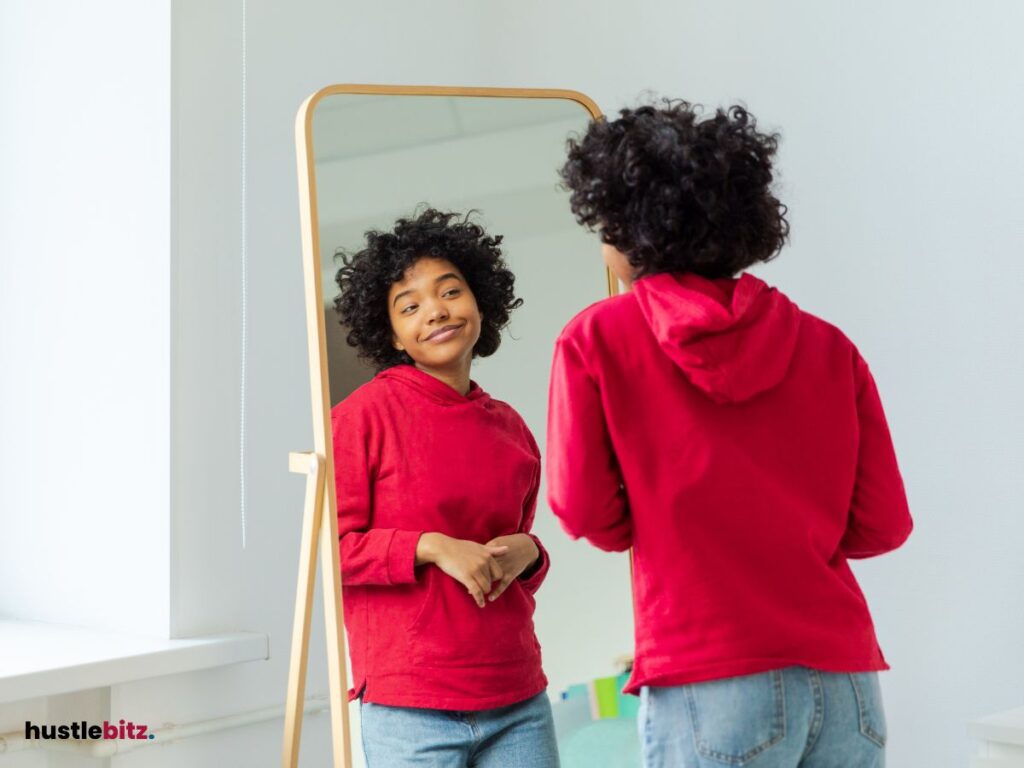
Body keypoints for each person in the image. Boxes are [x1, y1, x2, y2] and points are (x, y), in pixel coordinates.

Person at [547, 101, 912, 768]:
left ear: (632, 229)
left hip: (709, 675)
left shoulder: (597, 339)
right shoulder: (829, 347)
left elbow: (586, 513)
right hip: (846, 681)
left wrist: (661, 514)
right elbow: (883, 526)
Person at [331, 207, 559, 767]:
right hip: (410, 707)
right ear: (392, 335)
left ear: (480, 301)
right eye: (410, 307)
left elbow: (506, 556)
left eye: (450, 292)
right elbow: (326, 554)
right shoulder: (362, 417)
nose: (435, 311)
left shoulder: (510, 427)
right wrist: (429, 546)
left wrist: (531, 553)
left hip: (519, 698)